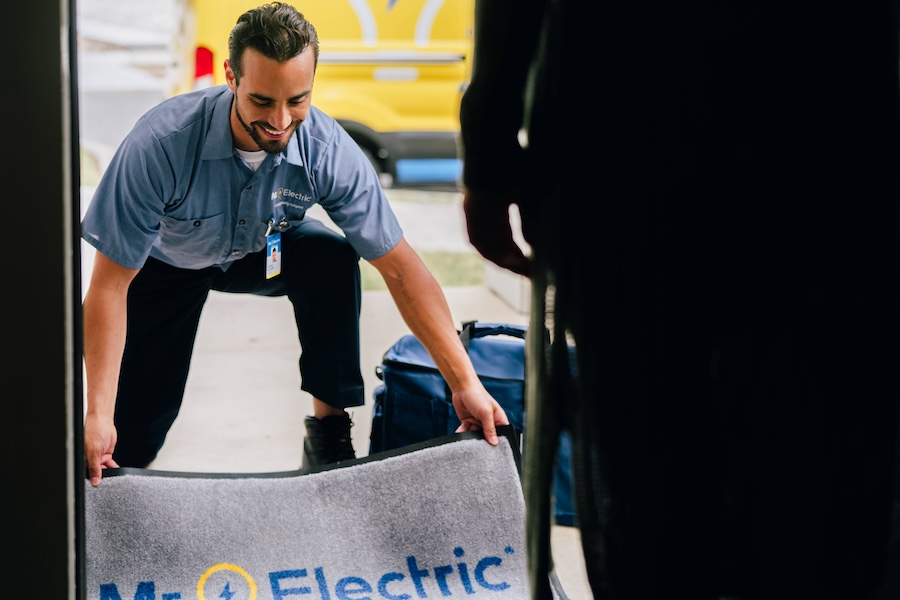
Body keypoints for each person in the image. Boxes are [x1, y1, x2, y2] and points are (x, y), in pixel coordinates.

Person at [460, 0, 900, 598]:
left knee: (649, 467)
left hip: (628, 128)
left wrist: (489, 151)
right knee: (823, 460)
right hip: (833, 130)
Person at [81, 2, 509, 488]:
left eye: (297, 100)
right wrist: (98, 414)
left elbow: (401, 268)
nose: (280, 120)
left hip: (258, 252)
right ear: (231, 78)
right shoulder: (160, 144)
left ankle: (328, 432)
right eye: (262, 101)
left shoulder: (327, 150)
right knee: (132, 437)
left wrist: (465, 384)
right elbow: (109, 287)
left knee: (331, 258)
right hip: (167, 264)